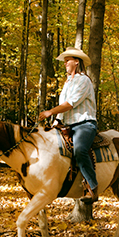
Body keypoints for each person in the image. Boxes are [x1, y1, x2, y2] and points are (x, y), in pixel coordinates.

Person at [38, 47, 99, 204]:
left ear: (76, 62)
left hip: (84, 124)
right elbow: (63, 108)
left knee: (79, 149)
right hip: (67, 125)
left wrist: (50, 112)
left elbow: (70, 104)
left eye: (67, 61)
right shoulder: (67, 83)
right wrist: (57, 120)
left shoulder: (83, 80)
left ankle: (92, 186)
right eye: (64, 61)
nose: (65, 64)